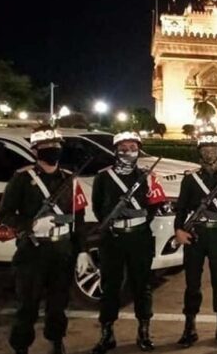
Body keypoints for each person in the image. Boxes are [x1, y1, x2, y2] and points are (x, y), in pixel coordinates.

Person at [0, 125, 90, 354]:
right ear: (36, 151)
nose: (53, 150)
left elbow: (78, 219)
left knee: (58, 305)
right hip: (33, 251)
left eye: (56, 146)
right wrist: (31, 225)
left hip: (62, 250)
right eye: (47, 147)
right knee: (27, 305)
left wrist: (82, 251)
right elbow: (4, 214)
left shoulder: (70, 179)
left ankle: (56, 341)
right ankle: (21, 347)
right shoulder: (21, 178)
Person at [90, 131, 167, 353]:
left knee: (142, 285)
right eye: (123, 148)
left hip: (139, 238)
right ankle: (107, 333)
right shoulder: (103, 177)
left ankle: (143, 331)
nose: (128, 152)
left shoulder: (148, 176)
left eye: (133, 147)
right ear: (116, 150)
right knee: (110, 286)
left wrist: (136, 224)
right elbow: (98, 208)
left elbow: (154, 206)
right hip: (112, 240)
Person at [173, 131, 217, 347]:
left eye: (213, 149)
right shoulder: (190, 179)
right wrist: (178, 230)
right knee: (192, 283)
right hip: (195, 236)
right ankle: (190, 327)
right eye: (205, 149)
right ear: (200, 153)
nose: (209, 153)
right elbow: (181, 209)